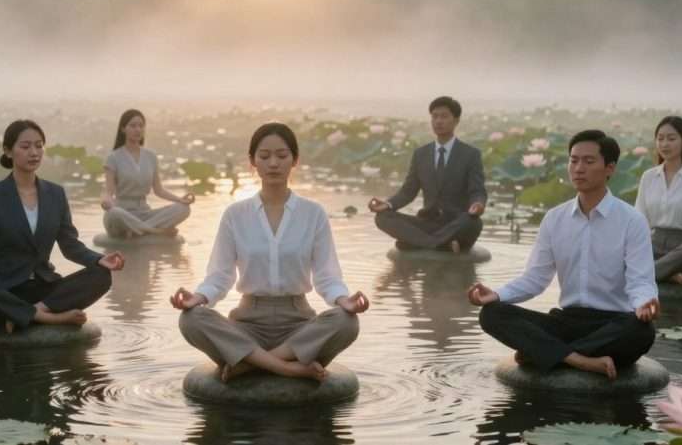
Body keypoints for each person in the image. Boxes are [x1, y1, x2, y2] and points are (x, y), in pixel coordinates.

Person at [171, 123, 368, 382]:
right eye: (264, 156)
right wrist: (197, 297)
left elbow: (327, 276)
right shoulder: (235, 214)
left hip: (299, 325)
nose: (273, 163)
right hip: (247, 325)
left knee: (347, 322)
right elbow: (220, 276)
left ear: (295, 160)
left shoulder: (313, 213)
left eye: (282, 155)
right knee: (191, 319)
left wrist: (344, 300)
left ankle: (249, 364)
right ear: (252, 161)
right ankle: (288, 367)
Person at [467, 130, 659, 380]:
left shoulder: (632, 221)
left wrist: (645, 302)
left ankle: (544, 353)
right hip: (566, 322)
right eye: (573, 160)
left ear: (609, 168)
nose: (578, 168)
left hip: (612, 325)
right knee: (492, 313)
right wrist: (497, 294)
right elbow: (535, 279)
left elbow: (641, 280)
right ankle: (579, 360)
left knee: (642, 331)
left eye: (589, 162)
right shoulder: (554, 219)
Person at [0, 120, 125, 333]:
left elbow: (70, 245)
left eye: (39, 145)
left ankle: (33, 312)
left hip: (45, 289)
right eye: (25, 147)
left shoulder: (56, 194)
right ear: (8, 151)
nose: (34, 152)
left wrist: (99, 259)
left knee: (101, 275)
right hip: (5, 289)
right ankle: (49, 318)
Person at [369, 96, 487, 252]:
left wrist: (478, 204)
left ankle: (415, 242)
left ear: (456, 120)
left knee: (473, 222)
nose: (438, 121)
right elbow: (408, 192)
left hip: (456, 223)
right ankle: (440, 244)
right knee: (383, 218)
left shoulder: (471, 154)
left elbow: (477, 190)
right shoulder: (421, 154)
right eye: (435, 117)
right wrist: (388, 204)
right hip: (426, 223)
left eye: (444, 116)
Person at [635, 116, 682, 285]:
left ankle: (648, 273)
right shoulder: (648, 177)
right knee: (619, 250)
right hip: (653, 245)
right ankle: (666, 273)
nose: (664, 144)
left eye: (671, 139)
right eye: (660, 139)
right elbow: (639, 218)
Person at [101, 109, 194, 239]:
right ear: (123, 129)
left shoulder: (151, 157)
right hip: (123, 213)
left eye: (140, 126)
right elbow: (109, 192)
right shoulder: (113, 158)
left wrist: (180, 200)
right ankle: (157, 231)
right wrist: (106, 201)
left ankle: (139, 230)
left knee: (184, 209)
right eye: (133, 126)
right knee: (113, 214)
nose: (137, 130)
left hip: (145, 213)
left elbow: (159, 190)